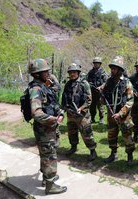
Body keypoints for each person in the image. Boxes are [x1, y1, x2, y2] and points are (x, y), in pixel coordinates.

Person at [28, 59, 67, 195]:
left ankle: (46, 178)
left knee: (47, 154)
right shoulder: (36, 89)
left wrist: (60, 113)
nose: (48, 73)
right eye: (45, 71)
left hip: (49, 129)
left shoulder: (44, 85)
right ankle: (50, 185)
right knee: (49, 156)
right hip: (45, 130)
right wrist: (53, 119)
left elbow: (52, 102)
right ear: (37, 74)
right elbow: (36, 112)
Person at [100, 56, 135, 166]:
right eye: (112, 68)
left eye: (115, 69)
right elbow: (104, 94)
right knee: (111, 135)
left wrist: (120, 113)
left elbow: (130, 101)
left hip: (123, 116)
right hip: (111, 114)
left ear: (120, 70)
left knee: (127, 137)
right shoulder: (109, 81)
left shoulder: (127, 83)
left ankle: (130, 156)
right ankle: (113, 154)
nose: (112, 70)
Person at [61, 63, 97, 161]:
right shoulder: (68, 84)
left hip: (82, 115)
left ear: (78, 73)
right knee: (71, 132)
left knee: (87, 133)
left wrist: (81, 108)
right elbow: (64, 99)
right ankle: (73, 147)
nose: (72, 74)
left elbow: (89, 100)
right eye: (70, 72)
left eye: (74, 72)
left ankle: (92, 151)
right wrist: (62, 110)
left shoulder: (84, 83)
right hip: (70, 114)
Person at [87, 57, 108, 124]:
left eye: (97, 63)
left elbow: (106, 82)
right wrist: (90, 84)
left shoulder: (103, 72)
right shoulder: (90, 72)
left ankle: (101, 118)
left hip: (100, 92)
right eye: (95, 63)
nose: (96, 64)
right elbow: (87, 80)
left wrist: (101, 87)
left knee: (100, 106)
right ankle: (92, 118)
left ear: (100, 64)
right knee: (92, 106)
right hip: (92, 91)